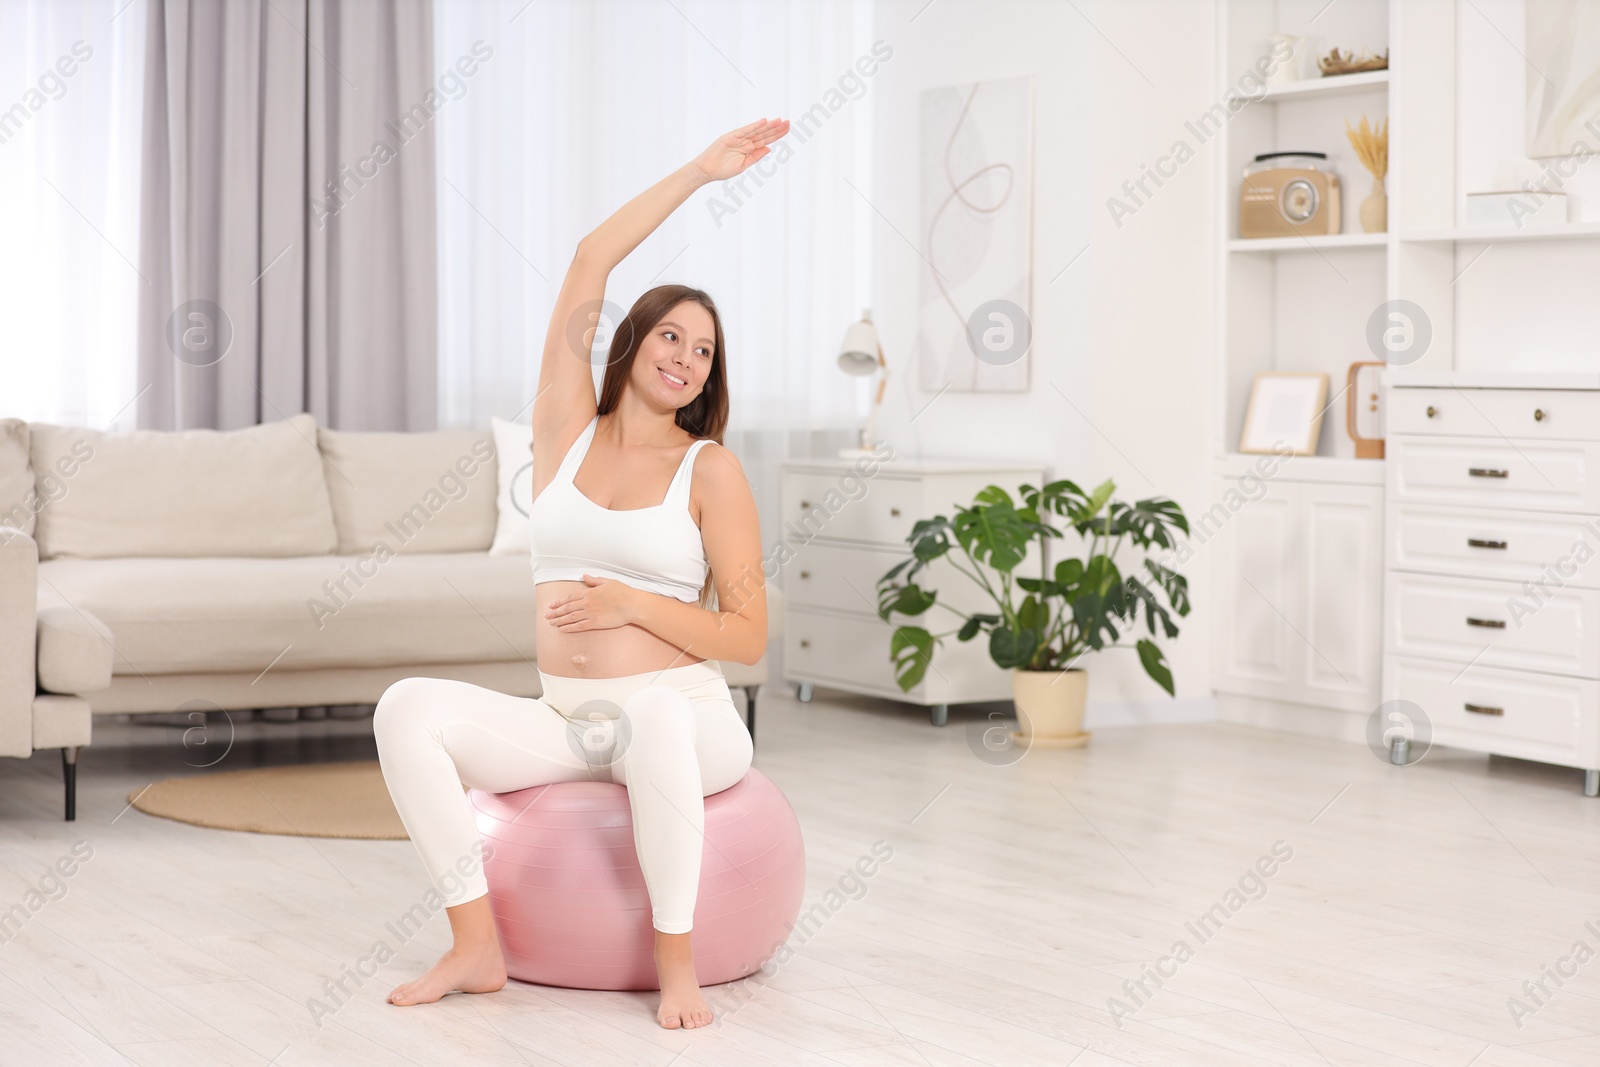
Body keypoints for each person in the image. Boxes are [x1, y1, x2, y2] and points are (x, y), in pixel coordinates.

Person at [373, 117, 788, 1029]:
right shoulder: (566, 428)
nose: (685, 358)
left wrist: (635, 604)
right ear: (634, 340)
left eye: (704, 350)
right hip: (568, 718)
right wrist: (701, 172)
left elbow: (749, 636)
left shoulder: (709, 469)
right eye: (671, 337)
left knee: (656, 715)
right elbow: (589, 260)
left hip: (687, 716)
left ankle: (676, 965)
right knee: (405, 707)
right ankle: (476, 943)